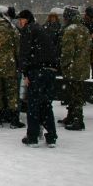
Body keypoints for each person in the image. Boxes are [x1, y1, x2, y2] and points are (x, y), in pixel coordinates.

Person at [17, 9, 59, 147]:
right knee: (46, 104)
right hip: (50, 70)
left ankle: (33, 137)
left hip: (37, 71)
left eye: (21, 19)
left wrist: (25, 73)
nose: (19, 22)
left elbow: (25, 53)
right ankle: (51, 137)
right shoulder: (40, 29)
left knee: (33, 105)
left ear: (26, 20)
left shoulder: (28, 31)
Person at [58, 6, 90, 131]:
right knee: (77, 93)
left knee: (74, 95)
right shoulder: (84, 29)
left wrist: (64, 64)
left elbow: (67, 51)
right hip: (82, 67)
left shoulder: (70, 30)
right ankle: (72, 117)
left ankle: (77, 120)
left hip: (73, 67)